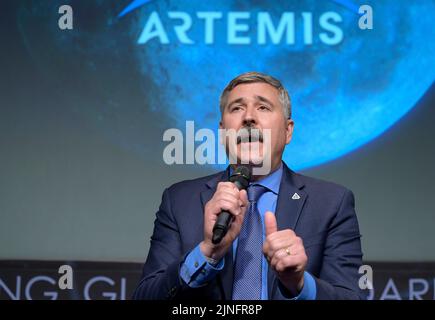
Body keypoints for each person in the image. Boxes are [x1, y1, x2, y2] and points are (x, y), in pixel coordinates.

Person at [133, 72, 365, 300]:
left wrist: (299, 284)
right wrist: (206, 253)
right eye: (236, 108)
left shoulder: (332, 202)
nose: (249, 118)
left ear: (288, 131)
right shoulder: (179, 200)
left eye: (263, 107)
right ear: (223, 132)